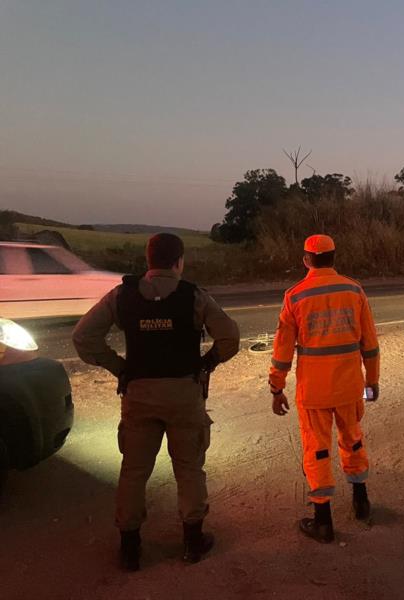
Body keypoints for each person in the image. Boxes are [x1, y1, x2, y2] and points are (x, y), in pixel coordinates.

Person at [72, 233, 240, 571]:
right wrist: (205, 364)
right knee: (189, 468)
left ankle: (130, 548)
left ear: (148, 261)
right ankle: (193, 541)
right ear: (179, 261)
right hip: (183, 394)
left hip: (139, 395)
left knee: (133, 471)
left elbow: (83, 337)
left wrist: (119, 366)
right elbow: (230, 338)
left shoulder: (122, 295)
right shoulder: (194, 296)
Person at [269, 234, 380, 543]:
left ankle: (323, 521)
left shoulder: (295, 296)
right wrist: (372, 381)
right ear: (333, 258)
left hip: (313, 392)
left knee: (317, 450)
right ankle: (361, 501)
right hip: (350, 387)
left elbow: (282, 350)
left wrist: (276, 388)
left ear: (306, 260)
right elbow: (370, 344)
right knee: (353, 440)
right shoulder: (354, 290)